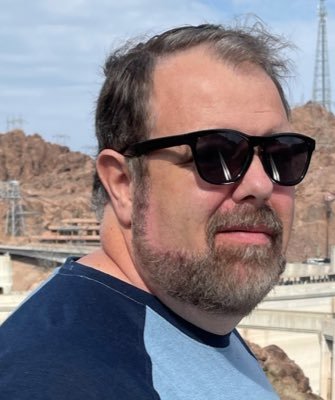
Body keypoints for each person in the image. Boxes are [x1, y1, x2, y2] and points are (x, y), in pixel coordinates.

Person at [0, 22, 315, 399]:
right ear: (123, 184)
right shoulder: (57, 379)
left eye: (282, 155)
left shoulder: (192, 325)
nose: (261, 185)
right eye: (216, 154)